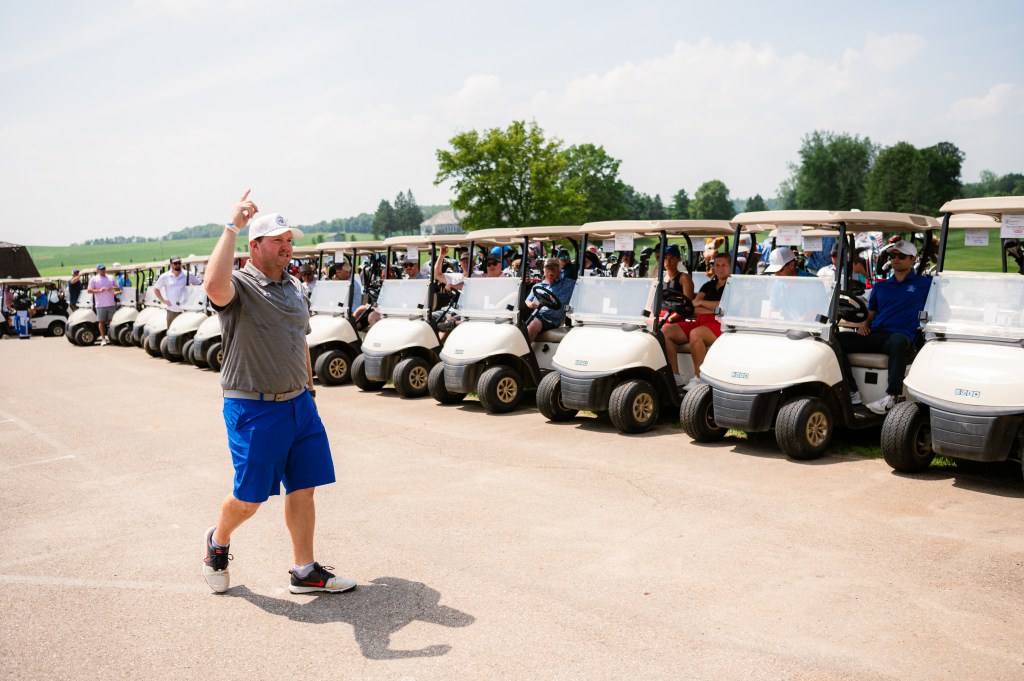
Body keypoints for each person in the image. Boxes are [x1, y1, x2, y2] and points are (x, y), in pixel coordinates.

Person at [201, 190, 355, 596]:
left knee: (303, 486)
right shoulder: (240, 286)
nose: (288, 247)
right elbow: (213, 285)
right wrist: (232, 226)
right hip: (254, 408)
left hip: (299, 404)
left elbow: (299, 340)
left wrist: (310, 391)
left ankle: (304, 571)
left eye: (290, 241)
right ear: (255, 246)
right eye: (278, 241)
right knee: (249, 500)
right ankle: (217, 541)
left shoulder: (294, 286)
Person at [837, 240, 931, 415]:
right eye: (893, 255)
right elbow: (872, 313)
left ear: (912, 259)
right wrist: (864, 325)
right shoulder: (881, 286)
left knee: (897, 341)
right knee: (835, 339)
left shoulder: (925, 284)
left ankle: (892, 396)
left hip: (902, 336)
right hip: (877, 334)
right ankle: (850, 391)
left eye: (901, 256)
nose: (896, 259)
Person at [662, 252, 731, 388]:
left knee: (696, 333)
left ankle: (700, 378)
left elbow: (726, 306)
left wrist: (703, 303)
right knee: (665, 331)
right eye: (717, 265)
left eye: (724, 265)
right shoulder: (708, 285)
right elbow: (694, 306)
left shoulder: (732, 286)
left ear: (730, 266)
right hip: (701, 321)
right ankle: (675, 376)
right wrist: (713, 308)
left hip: (720, 324)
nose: (720, 268)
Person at [524, 258, 576, 341]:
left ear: (559, 271)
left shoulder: (569, 284)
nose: (551, 271)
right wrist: (530, 304)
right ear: (544, 271)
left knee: (534, 324)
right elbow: (527, 301)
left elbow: (583, 286)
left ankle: (521, 349)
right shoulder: (538, 286)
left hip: (551, 320)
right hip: (535, 315)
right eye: (548, 268)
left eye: (554, 268)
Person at [154, 257, 201, 326]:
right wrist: (163, 301)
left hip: (186, 309)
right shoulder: (164, 276)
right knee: (171, 329)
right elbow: (156, 289)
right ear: (171, 264)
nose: (178, 265)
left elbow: (199, 286)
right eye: (175, 263)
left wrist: (194, 299)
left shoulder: (188, 274)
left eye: (179, 263)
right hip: (172, 309)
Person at [87, 264, 120, 345]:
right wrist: (99, 291)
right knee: (101, 322)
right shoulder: (94, 279)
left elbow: (118, 288)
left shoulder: (111, 277)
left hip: (111, 303)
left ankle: (112, 338)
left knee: (112, 322)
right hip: (100, 304)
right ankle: (103, 339)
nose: (103, 270)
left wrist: (112, 288)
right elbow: (89, 290)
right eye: (101, 269)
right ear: (97, 270)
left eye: (104, 269)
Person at [661, 244, 694, 323]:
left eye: (671, 258)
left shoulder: (684, 278)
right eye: (665, 258)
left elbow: (687, 306)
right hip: (659, 315)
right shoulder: (659, 278)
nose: (668, 261)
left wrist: (669, 319)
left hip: (675, 317)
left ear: (678, 259)